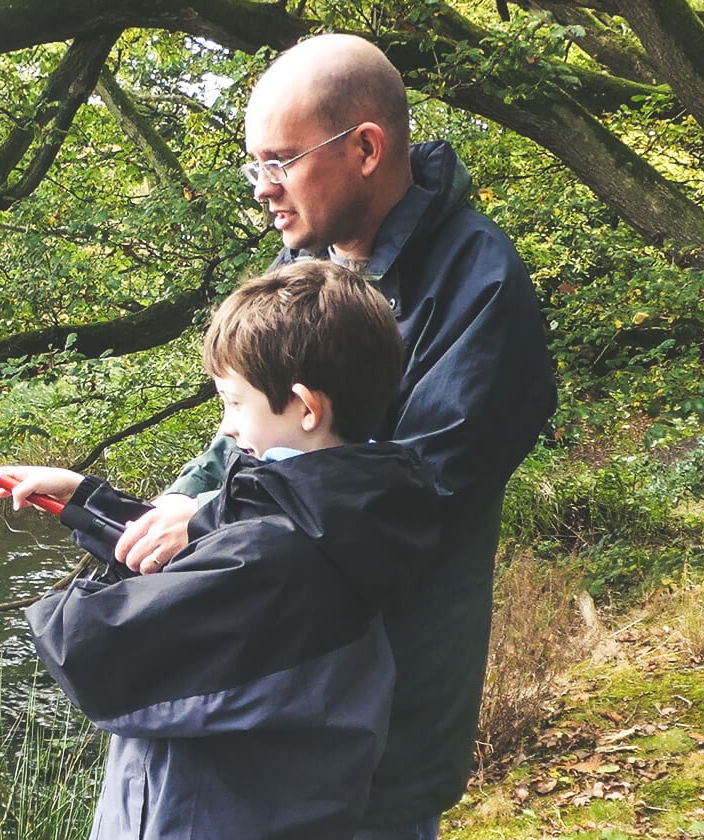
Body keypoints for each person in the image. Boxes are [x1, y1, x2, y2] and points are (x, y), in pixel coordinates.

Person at [110, 34, 558, 840]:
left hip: (380, 724)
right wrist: (154, 511)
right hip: (283, 704)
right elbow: (237, 441)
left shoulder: (481, 283)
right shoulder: (313, 269)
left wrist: (208, 521)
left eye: (279, 161)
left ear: (365, 148)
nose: (262, 189)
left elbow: (409, 496)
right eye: (254, 166)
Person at [0, 260, 440, 839]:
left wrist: (54, 607)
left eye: (234, 402)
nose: (226, 428)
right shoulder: (345, 508)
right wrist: (83, 498)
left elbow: (91, 645)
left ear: (305, 407)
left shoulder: (278, 551)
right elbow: (206, 541)